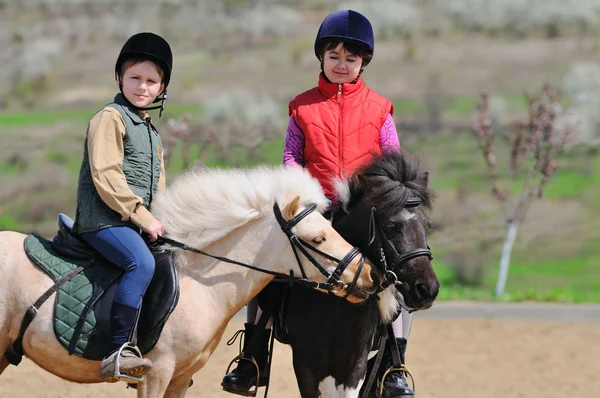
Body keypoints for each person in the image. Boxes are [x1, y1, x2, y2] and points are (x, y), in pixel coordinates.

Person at [222, 10, 414, 398]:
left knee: (405, 270)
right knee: (268, 270)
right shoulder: (302, 108)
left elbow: (392, 163)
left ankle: (395, 364)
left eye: (351, 58)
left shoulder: (381, 109)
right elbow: (291, 158)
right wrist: (309, 196)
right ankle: (251, 357)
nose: (342, 65)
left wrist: (378, 200)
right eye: (334, 56)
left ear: (364, 62)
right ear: (322, 57)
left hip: (363, 217)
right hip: (315, 213)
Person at [72, 32, 173, 383]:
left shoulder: (151, 132)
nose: (142, 87)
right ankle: (117, 352)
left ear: (162, 88)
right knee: (140, 262)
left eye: (151, 81)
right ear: (119, 77)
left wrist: (165, 220)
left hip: (135, 223)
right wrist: (144, 217)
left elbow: (159, 186)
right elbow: (106, 175)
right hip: (103, 221)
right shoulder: (109, 118)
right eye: (135, 78)